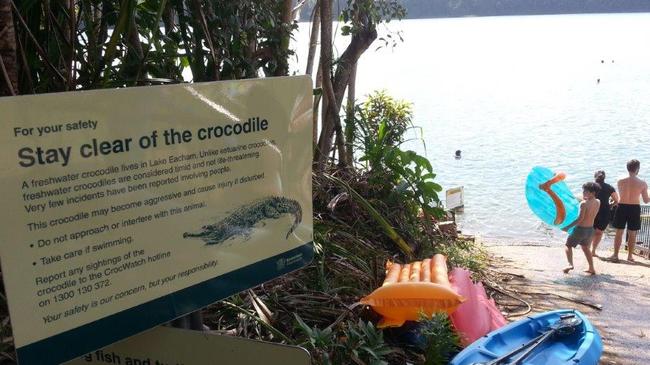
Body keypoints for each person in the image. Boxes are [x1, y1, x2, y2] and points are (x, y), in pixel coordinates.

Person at [608, 159, 650, 263]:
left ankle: (615, 255)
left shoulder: (620, 180)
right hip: (634, 208)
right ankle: (630, 256)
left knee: (619, 232)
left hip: (621, 206)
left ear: (627, 168)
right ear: (637, 169)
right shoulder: (642, 183)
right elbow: (645, 200)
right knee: (632, 233)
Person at [562, 182, 600, 275]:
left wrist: (567, 227)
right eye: (583, 190)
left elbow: (580, 219)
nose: (583, 192)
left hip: (580, 229)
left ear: (593, 192)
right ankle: (591, 268)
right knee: (586, 248)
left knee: (568, 245)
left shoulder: (583, 203)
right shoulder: (598, 202)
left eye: (586, 191)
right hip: (590, 230)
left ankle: (570, 264)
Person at [590, 170, 619, 257]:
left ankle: (587, 248)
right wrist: (610, 205)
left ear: (595, 177)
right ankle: (593, 250)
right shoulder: (609, 187)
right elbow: (617, 200)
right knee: (599, 232)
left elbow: (586, 198)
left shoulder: (591, 186)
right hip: (604, 212)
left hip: (592, 210)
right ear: (604, 178)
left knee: (590, 231)